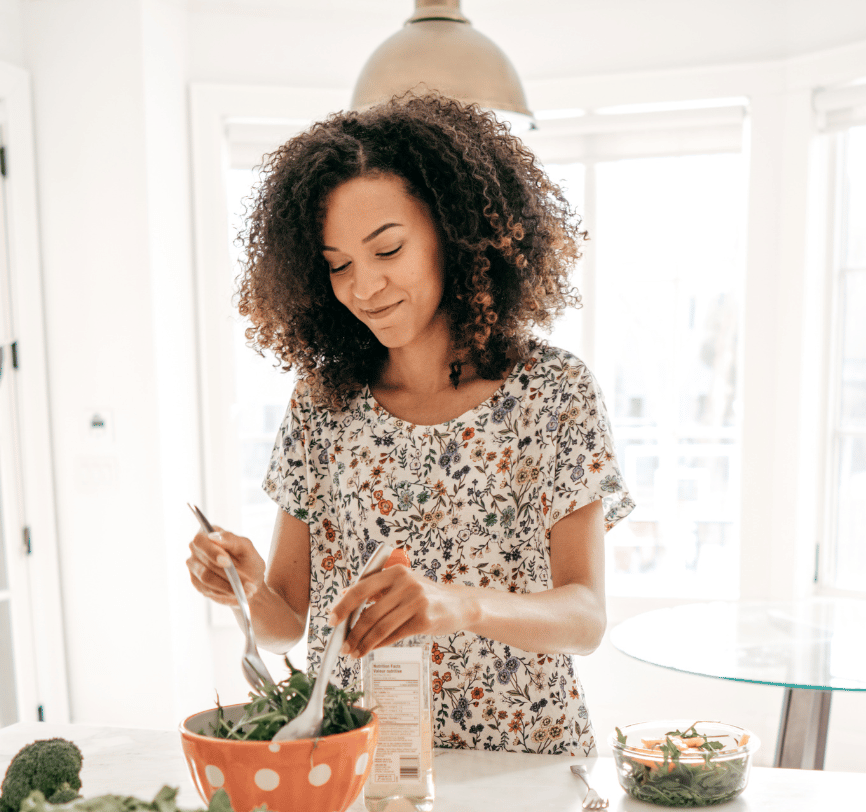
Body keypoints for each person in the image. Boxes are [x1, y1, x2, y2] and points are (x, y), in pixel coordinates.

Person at [187, 94, 634, 755]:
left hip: (521, 762)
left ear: (454, 232)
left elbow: (586, 618)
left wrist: (458, 603)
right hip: (357, 763)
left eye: (387, 249)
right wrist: (246, 584)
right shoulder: (323, 403)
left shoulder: (551, 393)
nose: (363, 287)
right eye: (338, 264)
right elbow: (286, 623)